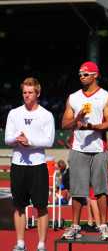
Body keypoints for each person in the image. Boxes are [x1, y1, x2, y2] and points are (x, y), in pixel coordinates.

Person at [61, 61, 108, 240]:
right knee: (77, 191)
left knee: (101, 190)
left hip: (99, 148)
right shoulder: (73, 97)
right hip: (78, 148)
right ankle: (75, 226)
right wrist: (77, 119)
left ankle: (103, 226)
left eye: (85, 74)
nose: (82, 77)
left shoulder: (106, 97)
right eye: (80, 74)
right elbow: (64, 124)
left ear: (95, 75)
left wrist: (91, 126)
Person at [5, 77, 55, 251]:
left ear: (38, 93)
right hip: (18, 164)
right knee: (19, 206)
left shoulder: (46, 115)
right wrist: (17, 139)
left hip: (38, 165)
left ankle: (41, 244)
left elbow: (49, 141)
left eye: (30, 92)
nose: (27, 95)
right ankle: (20, 243)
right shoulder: (14, 113)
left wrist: (30, 142)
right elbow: (7, 139)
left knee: (41, 206)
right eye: (24, 92)